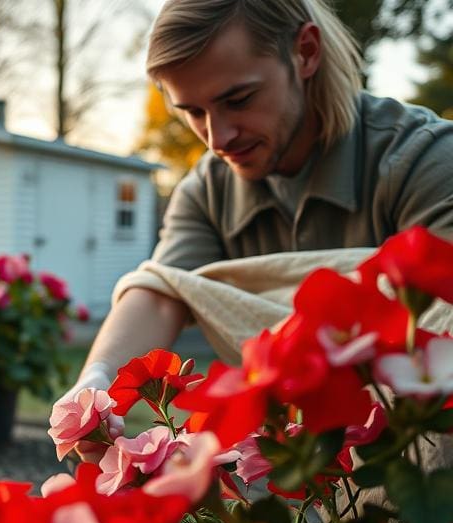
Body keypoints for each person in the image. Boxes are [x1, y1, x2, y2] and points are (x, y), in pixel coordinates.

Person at [59, 0, 453, 409]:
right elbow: (164, 292)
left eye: (239, 100)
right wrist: (97, 382)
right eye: (194, 111)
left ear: (306, 52)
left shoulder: (427, 161)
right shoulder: (207, 191)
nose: (217, 138)